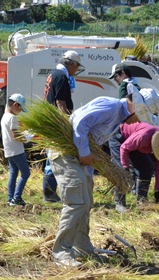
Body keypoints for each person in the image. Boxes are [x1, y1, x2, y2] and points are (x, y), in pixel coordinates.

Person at [49, 96, 139, 267]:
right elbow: (81, 123)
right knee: (76, 203)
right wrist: (83, 152)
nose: (139, 121)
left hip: (78, 158)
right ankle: (61, 253)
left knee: (86, 202)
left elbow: (92, 143)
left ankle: (82, 249)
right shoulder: (111, 107)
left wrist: (89, 172)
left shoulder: (118, 118)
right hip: (65, 153)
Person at [41, 50, 82, 203]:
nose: (76, 70)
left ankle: (50, 192)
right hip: (56, 123)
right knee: (55, 156)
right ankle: (50, 193)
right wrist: (65, 122)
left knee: (51, 157)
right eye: (76, 66)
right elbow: (60, 102)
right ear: (70, 63)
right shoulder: (61, 76)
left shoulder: (53, 74)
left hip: (50, 120)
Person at [107, 63, 140, 213]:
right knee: (134, 164)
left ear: (122, 74)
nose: (115, 80)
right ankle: (136, 194)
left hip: (121, 130)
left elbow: (123, 108)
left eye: (115, 77)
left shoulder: (124, 86)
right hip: (135, 129)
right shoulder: (137, 85)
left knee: (120, 165)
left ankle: (119, 202)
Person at [119, 122, 159, 203]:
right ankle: (120, 203)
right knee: (120, 169)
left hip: (137, 143)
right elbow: (124, 148)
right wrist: (125, 167)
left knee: (147, 168)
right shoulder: (143, 137)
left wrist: (157, 191)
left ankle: (141, 199)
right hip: (121, 136)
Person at [1, 93, 31, 207]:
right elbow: (16, 136)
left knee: (13, 174)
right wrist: (27, 137)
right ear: (15, 104)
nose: (20, 111)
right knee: (26, 173)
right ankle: (17, 198)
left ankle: (10, 198)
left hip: (8, 150)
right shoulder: (12, 118)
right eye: (20, 108)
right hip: (17, 151)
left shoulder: (5, 116)